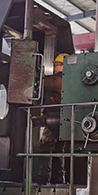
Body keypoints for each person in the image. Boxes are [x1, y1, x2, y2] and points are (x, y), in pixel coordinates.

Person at [32, 54, 66, 185]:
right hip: (64, 118)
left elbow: (44, 83)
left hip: (54, 118)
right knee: (58, 149)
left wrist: (34, 73)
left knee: (45, 146)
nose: (55, 66)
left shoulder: (59, 80)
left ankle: (43, 176)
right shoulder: (69, 80)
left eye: (58, 64)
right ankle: (58, 177)